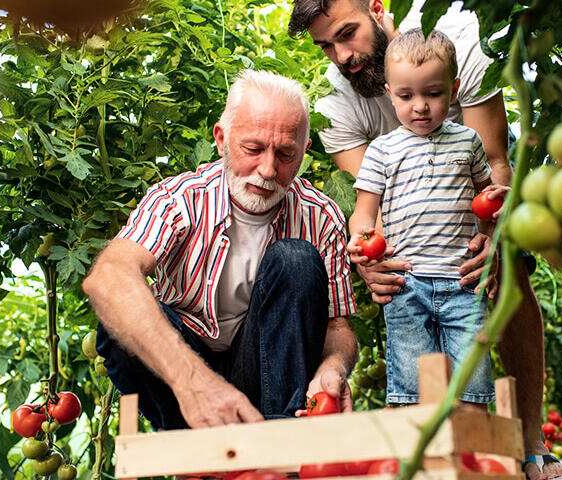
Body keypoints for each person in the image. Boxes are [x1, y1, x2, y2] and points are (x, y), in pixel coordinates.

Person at [288, 1, 562, 479]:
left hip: (468, 218)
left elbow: (495, 164)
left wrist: (493, 238)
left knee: (510, 264)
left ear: (377, 7)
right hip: (408, 240)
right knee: (407, 346)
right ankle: (420, 453)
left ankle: (528, 437)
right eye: (325, 46)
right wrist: (367, 260)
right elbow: (370, 206)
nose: (340, 56)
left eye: (347, 34)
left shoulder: (456, 35)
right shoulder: (338, 102)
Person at [82, 69, 358, 430]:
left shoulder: (320, 216)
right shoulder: (179, 200)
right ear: (221, 138)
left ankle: (282, 440)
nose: (268, 169)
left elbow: (338, 326)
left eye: (286, 154)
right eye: (253, 149)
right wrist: (194, 382)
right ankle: (193, 440)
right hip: (183, 379)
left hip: (269, 376)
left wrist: (333, 366)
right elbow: (108, 278)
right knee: (120, 323)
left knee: (296, 260)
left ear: (304, 152)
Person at [348, 28, 504, 408]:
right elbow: (364, 214)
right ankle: (421, 464)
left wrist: (493, 221)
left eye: (433, 93)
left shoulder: (468, 141)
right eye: (406, 96)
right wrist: (361, 242)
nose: (420, 106)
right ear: (389, 93)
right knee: (413, 392)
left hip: (463, 281)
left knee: (473, 386)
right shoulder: (382, 151)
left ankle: (473, 462)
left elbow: (487, 198)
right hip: (406, 283)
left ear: (454, 89)